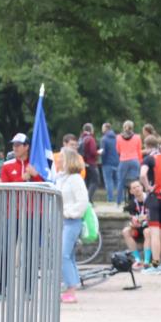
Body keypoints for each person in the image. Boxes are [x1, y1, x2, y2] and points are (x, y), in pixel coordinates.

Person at [57, 149, 89, 304]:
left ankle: (71, 289)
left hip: (72, 221)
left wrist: (68, 213)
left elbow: (82, 202)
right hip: (63, 221)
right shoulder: (61, 178)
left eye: (61, 157)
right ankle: (71, 286)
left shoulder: (76, 179)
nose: (58, 160)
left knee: (63, 255)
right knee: (68, 256)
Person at [140, 135, 161, 274]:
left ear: (147, 146)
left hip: (154, 198)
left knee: (154, 233)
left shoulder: (149, 159)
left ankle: (155, 265)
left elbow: (142, 175)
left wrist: (148, 187)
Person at [122, 180, 152, 269]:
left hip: (151, 226)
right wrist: (133, 223)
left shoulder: (150, 199)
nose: (137, 189)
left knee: (147, 232)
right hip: (139, 226)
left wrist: (144, 217)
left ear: (142, 187)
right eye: (134, 188)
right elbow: (133, 217)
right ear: (131, 191)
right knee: (126, 231)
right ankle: (137, 260)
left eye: (138, 186)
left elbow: (154, 215)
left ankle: (146, 261)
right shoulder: (132, 203)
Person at [116, 120, 142, 196]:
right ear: (132, 127)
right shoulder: (137, 137)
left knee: (121, 181)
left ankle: (119, 200)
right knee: (134, 181)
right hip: (134, 160)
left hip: (123, 160)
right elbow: (139, 150)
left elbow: (118, 150)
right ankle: (134, 197)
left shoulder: (118, 137)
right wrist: (140, 161)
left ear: (123, 127)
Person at [100, 122, 121, 205]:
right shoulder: (117, 138)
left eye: (103, 128)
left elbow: (103, 152)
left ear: (106, 128)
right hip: (117, 162)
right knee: (118, 181)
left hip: (107, 163)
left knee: (109, 181)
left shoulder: (104, 139)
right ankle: (120, 198)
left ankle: (110, 199)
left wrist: (101, 158)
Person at [80, 123, 100, 200]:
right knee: (95, 181)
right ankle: (88, 199)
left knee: (86, 181)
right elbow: (92, 151)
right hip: (91, 163)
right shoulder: (90, 139)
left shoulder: (81, 138)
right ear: (91, 130)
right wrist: (97, 153)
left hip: (83, 163)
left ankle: (84, 198)